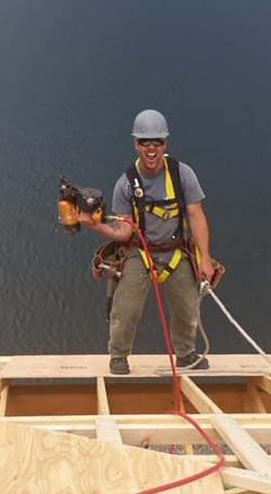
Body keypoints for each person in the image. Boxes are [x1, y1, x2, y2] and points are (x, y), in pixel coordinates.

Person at [81, 109, 214, 375]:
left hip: (175, 251)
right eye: (144, 142)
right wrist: (96, 226)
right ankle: (118, 356)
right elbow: (123, 231)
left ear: (166, 143)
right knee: (126, 308)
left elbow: (196, 215)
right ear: (135, 144)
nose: (151, 149)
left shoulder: (181, 174)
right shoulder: (127, 184)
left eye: (157, 142)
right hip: (139, 254)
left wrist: (205, 257)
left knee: (188, 308)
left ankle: (186, 353)